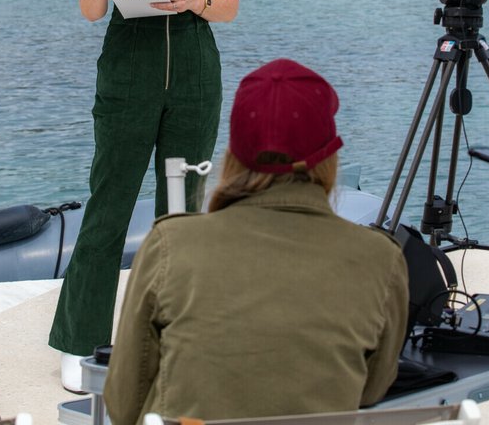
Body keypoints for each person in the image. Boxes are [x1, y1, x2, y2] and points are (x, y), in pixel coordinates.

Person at [49, 0, 242, 390]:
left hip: (194, 84)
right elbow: (85, 8)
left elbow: (230, 6)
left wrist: (196, 0)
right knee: (107, 213)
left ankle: (173, 345)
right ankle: (80, 343)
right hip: (127, 86)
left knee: (180, 219)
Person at [104, 59, 409, 425]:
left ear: (232, 156)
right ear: (328, 159)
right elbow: (371, 390)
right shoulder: (380, 259)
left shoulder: (171, 245)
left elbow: (122, 403)